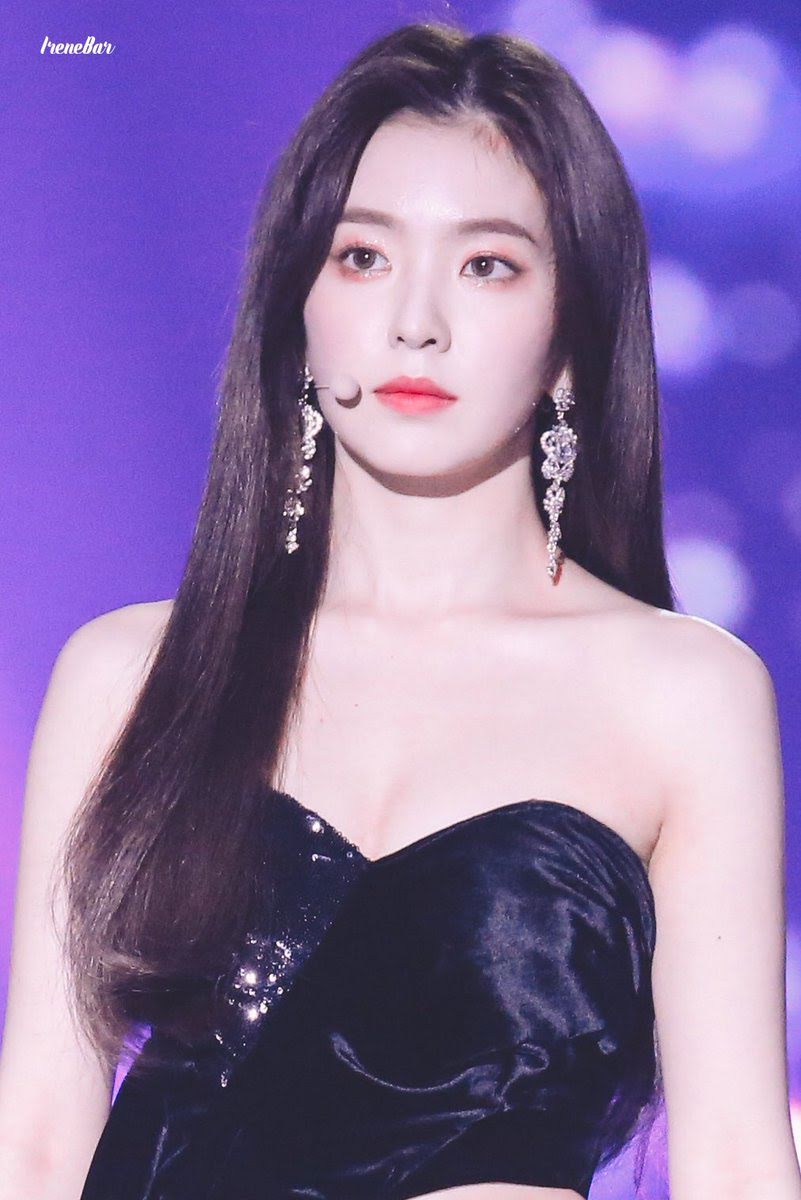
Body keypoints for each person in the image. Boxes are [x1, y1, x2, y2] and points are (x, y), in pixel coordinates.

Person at [0, 18, 797, 1200]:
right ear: (298, 311)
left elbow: (736, 1161)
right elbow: (34, 1143)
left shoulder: (683, 694)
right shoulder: (133, 674)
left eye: (487, 265)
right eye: (364, 256)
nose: (416, 319)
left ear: (571, 338)